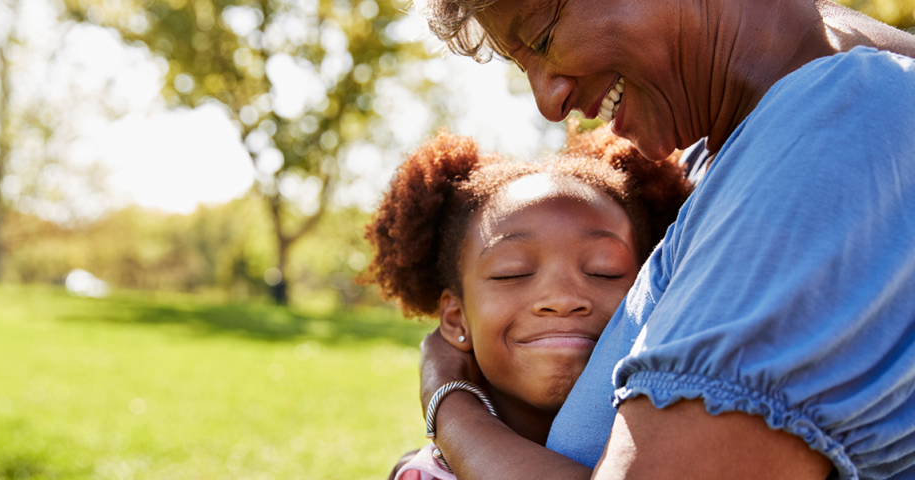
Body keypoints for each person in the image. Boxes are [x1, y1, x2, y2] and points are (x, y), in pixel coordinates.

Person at [415, 0, 915, 478]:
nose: (550, 102)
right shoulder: (711, 162)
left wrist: (451, 405)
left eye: (544, 37)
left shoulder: (834, 132)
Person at [363, 126, 691, 480]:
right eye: (511, 273)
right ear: (457, 319)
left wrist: (446, 400)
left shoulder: (701, 435)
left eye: (604, 271)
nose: (562, 299)